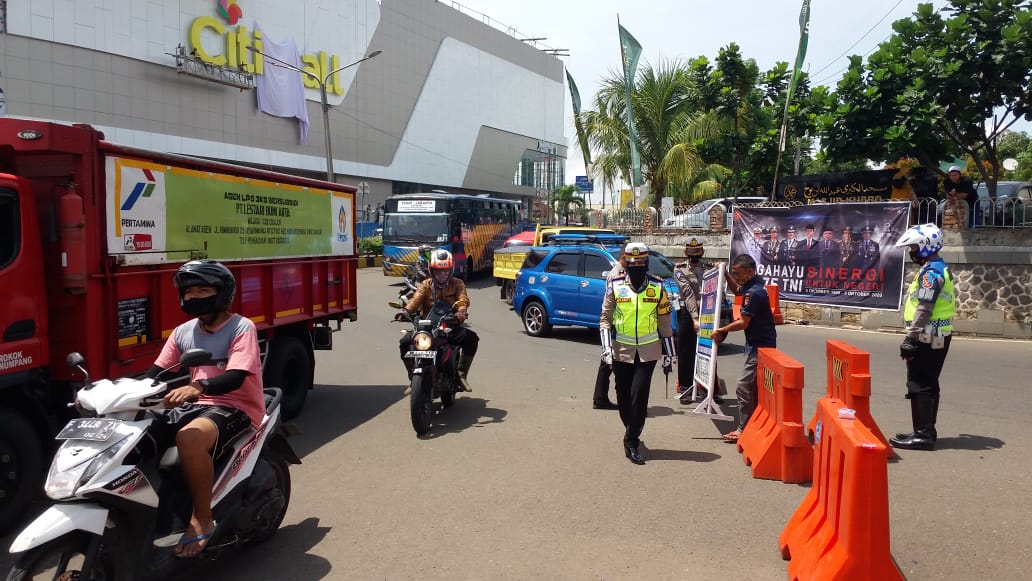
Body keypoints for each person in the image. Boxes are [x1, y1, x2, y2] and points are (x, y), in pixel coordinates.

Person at [147, 260, 266, 558]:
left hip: (235, 405)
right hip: (197, 405)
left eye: (203, 289)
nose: (195, 296)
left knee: (188, 439)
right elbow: (155, 373)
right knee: (137, 436)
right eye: (189, 291)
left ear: (221, 292)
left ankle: (202, 517)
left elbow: (237, 376)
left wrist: (199, 387)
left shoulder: (241, 327)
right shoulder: (182, 332)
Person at [599, 242, 675, 465]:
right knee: (623, 397)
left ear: (647, 264)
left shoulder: (658, 287)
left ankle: (631, 439)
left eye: (641, 263)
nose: (636, 267)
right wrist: (606, 349)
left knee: (639, 396)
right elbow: (605, 319)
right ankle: (631, 429)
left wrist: (670, 353)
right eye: (632, 264)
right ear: (626, 263)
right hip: (621, 350)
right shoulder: (615, 285)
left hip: (648, 351)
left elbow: (664, 322)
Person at [890, 223, 955, 451]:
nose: (912, 252)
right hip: (938, 334)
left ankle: (923, 435)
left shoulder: (931, 273)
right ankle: (926, 430)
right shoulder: (939, 267)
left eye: (915, 248)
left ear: (926, 246)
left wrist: (910, 338)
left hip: (927, 335)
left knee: (919, 383)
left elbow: (924, 309)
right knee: (928, 383)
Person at [712, 254, 777, 443]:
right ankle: (754, 423)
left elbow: (743, 322)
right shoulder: (751, 286)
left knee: (743, 386)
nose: (736, 276)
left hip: (760, 346)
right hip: (757, 344)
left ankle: (743, 428)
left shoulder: (755, 293)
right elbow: (738, 290)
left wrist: (721, 330)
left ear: (749, 271)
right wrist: (725, 274)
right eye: (734, 272)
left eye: (738, 273)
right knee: (753, 388)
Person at [397, 249, 479, 391]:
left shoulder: (457, 283)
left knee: (472, 339)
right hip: (427, 327)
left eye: (445, 271)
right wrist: (405, 311)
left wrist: (461, 311)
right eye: (438, 271)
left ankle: (461, 374)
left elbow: (462, 298)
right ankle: (412, 375)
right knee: (404, 342)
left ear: (450, 271)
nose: (442, 274)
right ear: (431, 270)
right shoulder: (426, 285)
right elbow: (416, 299)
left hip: (450, 325)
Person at [591, 244, 627, 410]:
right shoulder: (616, 274)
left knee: (607, 362)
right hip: (614, 323)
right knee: (609, 361)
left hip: (618, 322)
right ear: (624, 257)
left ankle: (600, 397)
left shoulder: (623, 272)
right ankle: (601, 398)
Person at [672, 238, 708, 398]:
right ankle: (685, 388)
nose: (695, 255)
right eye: (691, 252)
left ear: (702, 252)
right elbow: (688, 294)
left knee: (708, 350)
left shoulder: (710, 269)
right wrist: (695, 318)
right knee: (685, 350)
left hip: (707, 312)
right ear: (686, 253)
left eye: (697, 252)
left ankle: (708, 388)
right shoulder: (679, 270)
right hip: (687, 312)